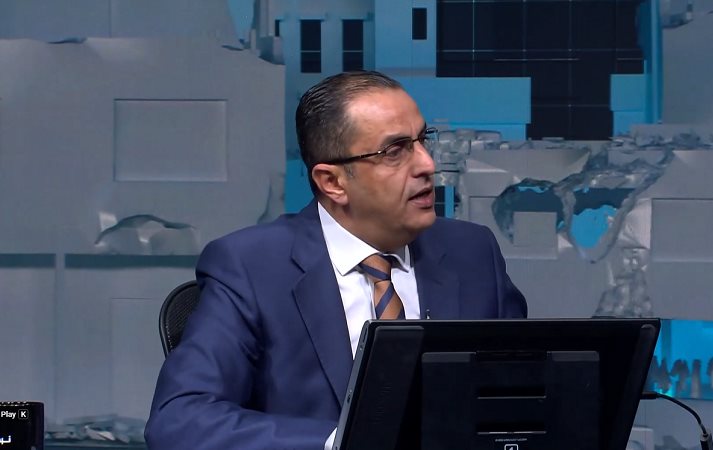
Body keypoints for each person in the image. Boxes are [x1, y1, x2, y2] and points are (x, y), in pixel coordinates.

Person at [145, 71, 527, 450]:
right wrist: (345, 442)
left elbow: (525, 395)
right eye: (395, 151)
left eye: (422, 140)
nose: (427, 164)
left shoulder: (472, 251)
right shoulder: (251, 267)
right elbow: (181, 420)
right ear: (333, 182)